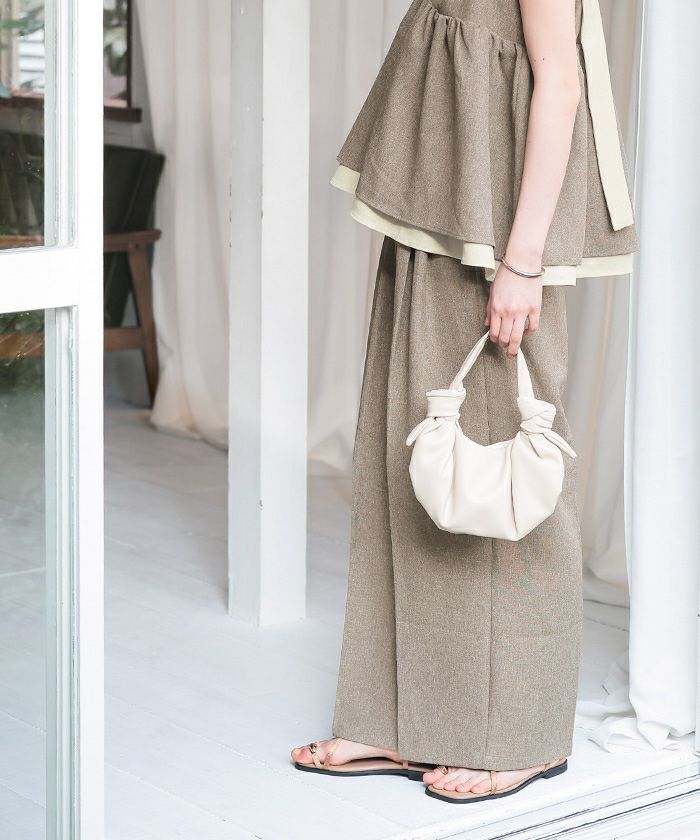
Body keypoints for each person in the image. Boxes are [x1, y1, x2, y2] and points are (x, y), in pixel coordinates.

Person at [291, 0, 638, 803]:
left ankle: (521, 734)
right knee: (408, 458)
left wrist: (522, 263)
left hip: (497, 231)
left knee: (512, 476)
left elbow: (560, 81)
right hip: (434, 215)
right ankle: (392, 715)